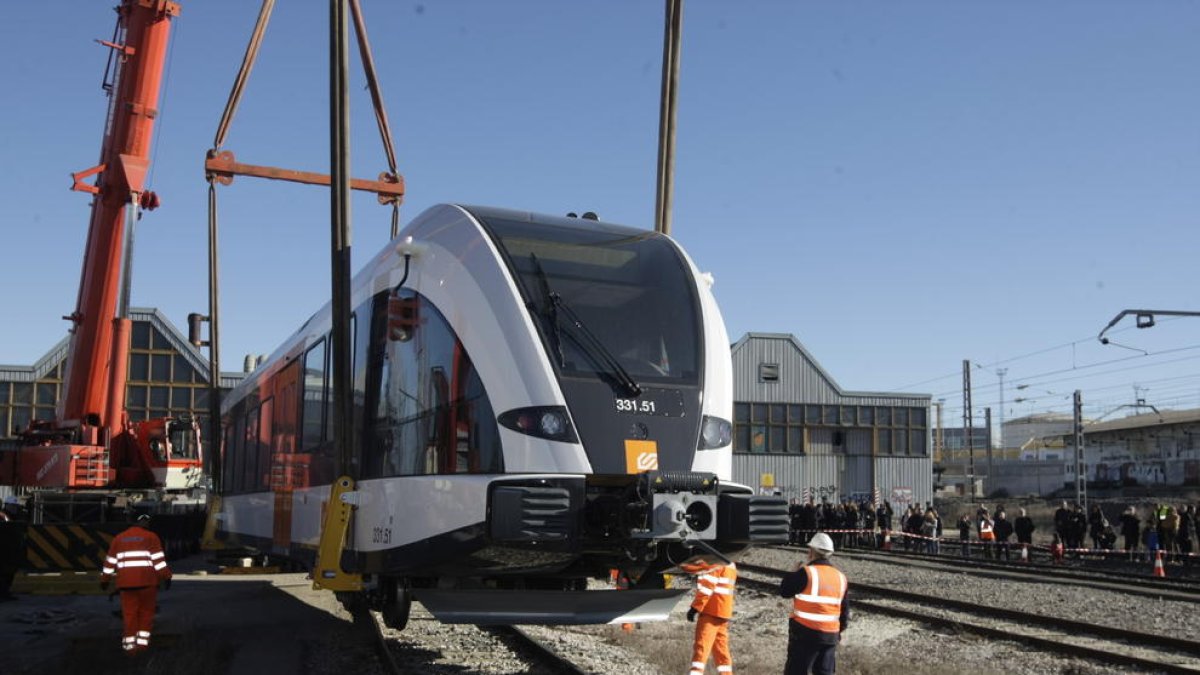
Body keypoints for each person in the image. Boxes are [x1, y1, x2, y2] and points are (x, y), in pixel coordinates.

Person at [101, 514, 172, 655]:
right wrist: (166, 576)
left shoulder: (119, 538)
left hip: (126, 585)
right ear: (145, 523)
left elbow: (109, 562)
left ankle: (130, 648)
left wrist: (105, 580)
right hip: (147, 584)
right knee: (146, 613)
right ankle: (142, 646)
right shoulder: (151, 537)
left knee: (130, 614)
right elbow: (158, 561)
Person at [778, 532, 848, 675]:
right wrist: (837, 633)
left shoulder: (807, 572)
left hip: (805, 634)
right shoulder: (841, 578)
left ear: (811, 552)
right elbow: (844, 613)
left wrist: (793, 572)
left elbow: (784, 591)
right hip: (830, 637)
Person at [681, 559, 736, 675]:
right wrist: (684, 566)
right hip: (723, 611)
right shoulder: (730, 564)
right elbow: (701, 568)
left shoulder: (716, 564)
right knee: (721, 649)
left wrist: (695, 608)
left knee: (701, 647)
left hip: (711, 611)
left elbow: (707, 587)